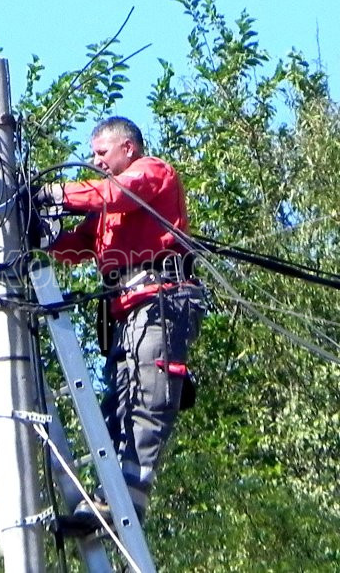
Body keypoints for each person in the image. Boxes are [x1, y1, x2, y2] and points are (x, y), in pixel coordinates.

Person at [35, 116, 205, 530]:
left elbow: (113, 192)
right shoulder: (107, 211)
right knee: (119, 404)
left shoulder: (151, 173)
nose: (95, 161)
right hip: (129, 311)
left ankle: (128, 499)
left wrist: (56, 193)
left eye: (101, 153)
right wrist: (35, 228)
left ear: (127, 148)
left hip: (162, 300)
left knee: (148, 394)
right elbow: (73, 245)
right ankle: (105, 497)